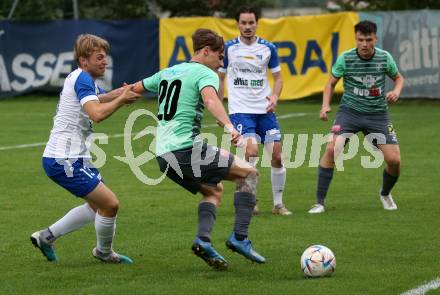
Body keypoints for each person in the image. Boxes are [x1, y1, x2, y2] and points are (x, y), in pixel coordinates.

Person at [132, 28, 266, 270]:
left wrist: (97, 99)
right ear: (206, 51)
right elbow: (211, 100)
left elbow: (132, 89)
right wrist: (229, 127)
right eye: (220, 55)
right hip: (186, 149)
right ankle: (240, 238)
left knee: (213, 192)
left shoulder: (168, 72)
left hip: (163, 157)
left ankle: (203, 240)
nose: (221, 61)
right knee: (249, 173)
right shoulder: (205, 73)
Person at [31, 34, 140, 263]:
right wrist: (121, 100)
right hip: (64, 159)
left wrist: (121, 93)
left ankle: (46, 237)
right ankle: (104, 253)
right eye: (99, 57)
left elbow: (98, 99)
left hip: (72, 157)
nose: (104, 62)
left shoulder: (83, 78)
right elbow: (97, 114)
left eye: (105, 57)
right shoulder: (82, 79)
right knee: (110, 204)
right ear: (83, 60)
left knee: (97, 205)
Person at [308, 20, 404, 214]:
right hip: (349, 113)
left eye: (369, 40)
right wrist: (325, 105)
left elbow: (399, 78)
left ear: (375, 38)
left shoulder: (385, 58)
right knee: (331, 149)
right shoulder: (346, 58)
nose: (365, 44)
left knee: (394, 161)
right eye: (361, 40)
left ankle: (385, 193)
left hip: (378, 115)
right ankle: (319, 202)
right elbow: (330, 84)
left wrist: (396, 91)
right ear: (356, 39)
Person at [218, 5, 291, 216]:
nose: (248, 27)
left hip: (265, 110)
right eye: (244, 23)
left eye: (251, 23)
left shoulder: (268, 48)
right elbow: (221, 78)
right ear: (237, 24)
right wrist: (220, 107)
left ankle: (278, 205)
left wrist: (275, 96)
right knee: (250, 151)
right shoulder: (229, 48)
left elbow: (278, 78)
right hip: (240, 109)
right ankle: (249, 199)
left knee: (277, 156)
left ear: (257, 23)